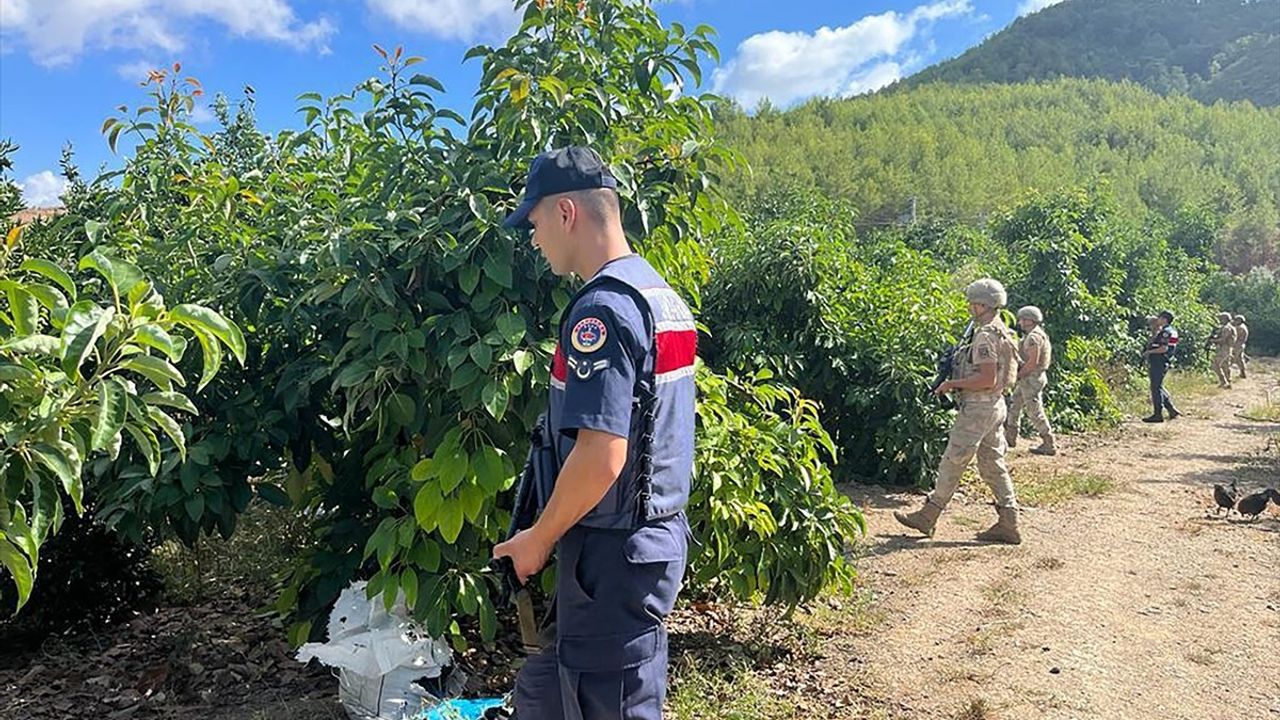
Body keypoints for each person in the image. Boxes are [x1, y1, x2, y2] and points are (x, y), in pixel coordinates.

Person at [493, 146, 697, 720]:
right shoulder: (659, 295)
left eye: (534, 224)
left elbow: (601, 455)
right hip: (651, 539)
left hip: (613, 551)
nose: (534, 240)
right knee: (580, 693)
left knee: (609, 704)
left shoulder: (601, 313)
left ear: (565, 214)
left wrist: (539, 536)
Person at [895, 279, 1022, 544]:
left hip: (979, 406)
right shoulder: (1002, 332)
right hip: (994, 405)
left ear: (982, 304)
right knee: (992, 465)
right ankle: (1009, 522)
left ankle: (928, 516)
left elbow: (986, 377)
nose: (969, 307)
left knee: (953, 460)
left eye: (972, 303)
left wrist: (952, 384)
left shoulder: (986, 335)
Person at [1005, 305, 1057, 456]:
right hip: (1031, 378)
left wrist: (1018, 375)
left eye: (1022, 319)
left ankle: (1048, 442)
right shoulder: (1037, 335)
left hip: (1031, 378)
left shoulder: (1034, 337)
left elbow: (1032, 363)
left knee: (1034, 410)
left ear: (1029, 320)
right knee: (1015, 403)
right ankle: (1010, 437)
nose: (1020, 322)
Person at [1141, 310, 1181, 422]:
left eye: (1159, 318)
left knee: (1156, 387)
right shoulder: (1169, 331)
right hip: (1162, 361)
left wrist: (1149, 352)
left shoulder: (1166, 332)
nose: (1157, 320)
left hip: (1159, 361)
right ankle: (1172, 410)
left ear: (1164, 319)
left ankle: (1158, 414)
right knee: (1158, 386)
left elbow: (1164, 348)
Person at [1209, 312, 1237, 389]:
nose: (1219, 320)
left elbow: (1223, 340)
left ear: (1225, 319)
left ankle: (1223, 381)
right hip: (1227, 348)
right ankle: (1228, 382)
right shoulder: (1230, 327)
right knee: (1225, 366)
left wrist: (1212, 341)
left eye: (1221, 319)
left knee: (1215, 364)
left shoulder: (1226, 328)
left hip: (1224, 348)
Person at [1232, 313, 1249, 380]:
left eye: (1236, 320)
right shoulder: (1243, 326)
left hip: (1237, 345)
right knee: (1240, 359)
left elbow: (1235, 337)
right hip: (1240, 345)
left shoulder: (1240, 328)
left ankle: (1227, 375)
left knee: (1232, 359)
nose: (1234, 321)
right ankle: (1243, 373)